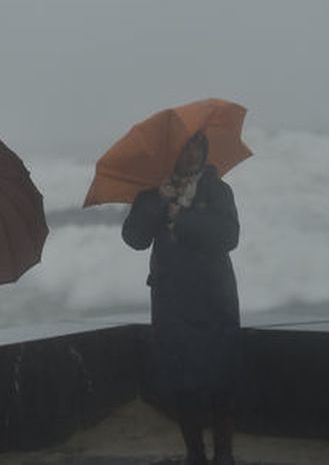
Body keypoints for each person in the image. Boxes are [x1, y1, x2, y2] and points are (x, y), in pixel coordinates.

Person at [121, 131, 241, 465]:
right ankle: (195, 455)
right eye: (185, 147)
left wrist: (183, 219)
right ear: (172, 153)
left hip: (214, 299)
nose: (192, 154)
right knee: (183, 382)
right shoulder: (153, 192)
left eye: (198, 148)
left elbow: (229, 236)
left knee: (221, 380)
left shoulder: (218, 190)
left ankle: (225, 454)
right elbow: (133, 238)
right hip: (172, 301)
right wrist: (159, 202)